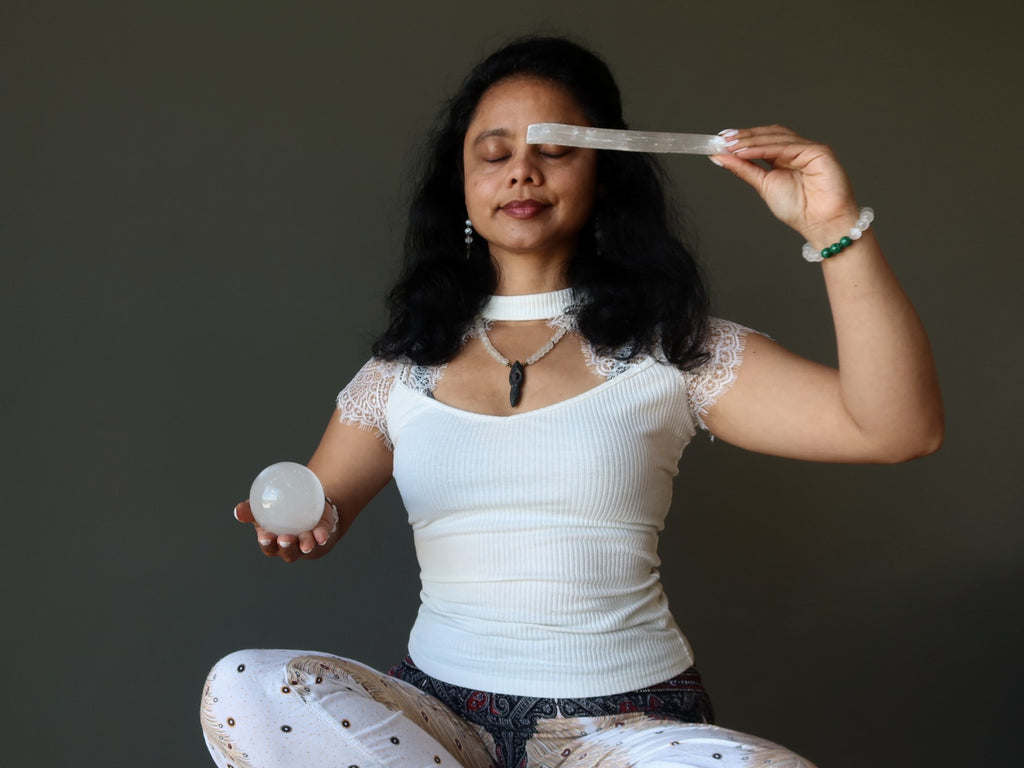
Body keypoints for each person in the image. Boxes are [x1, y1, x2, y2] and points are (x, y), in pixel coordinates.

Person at [200, 36, 943, 768]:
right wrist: (305, 523)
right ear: (462, 187)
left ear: (604, 176)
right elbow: (320, 505)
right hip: (437, 728)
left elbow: (897, 429)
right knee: (246, 687)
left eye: (554, 150)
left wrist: (834, 228)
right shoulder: (402, 367)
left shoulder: (675, 347)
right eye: (493, 154)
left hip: (624, 732)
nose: (521, 170)